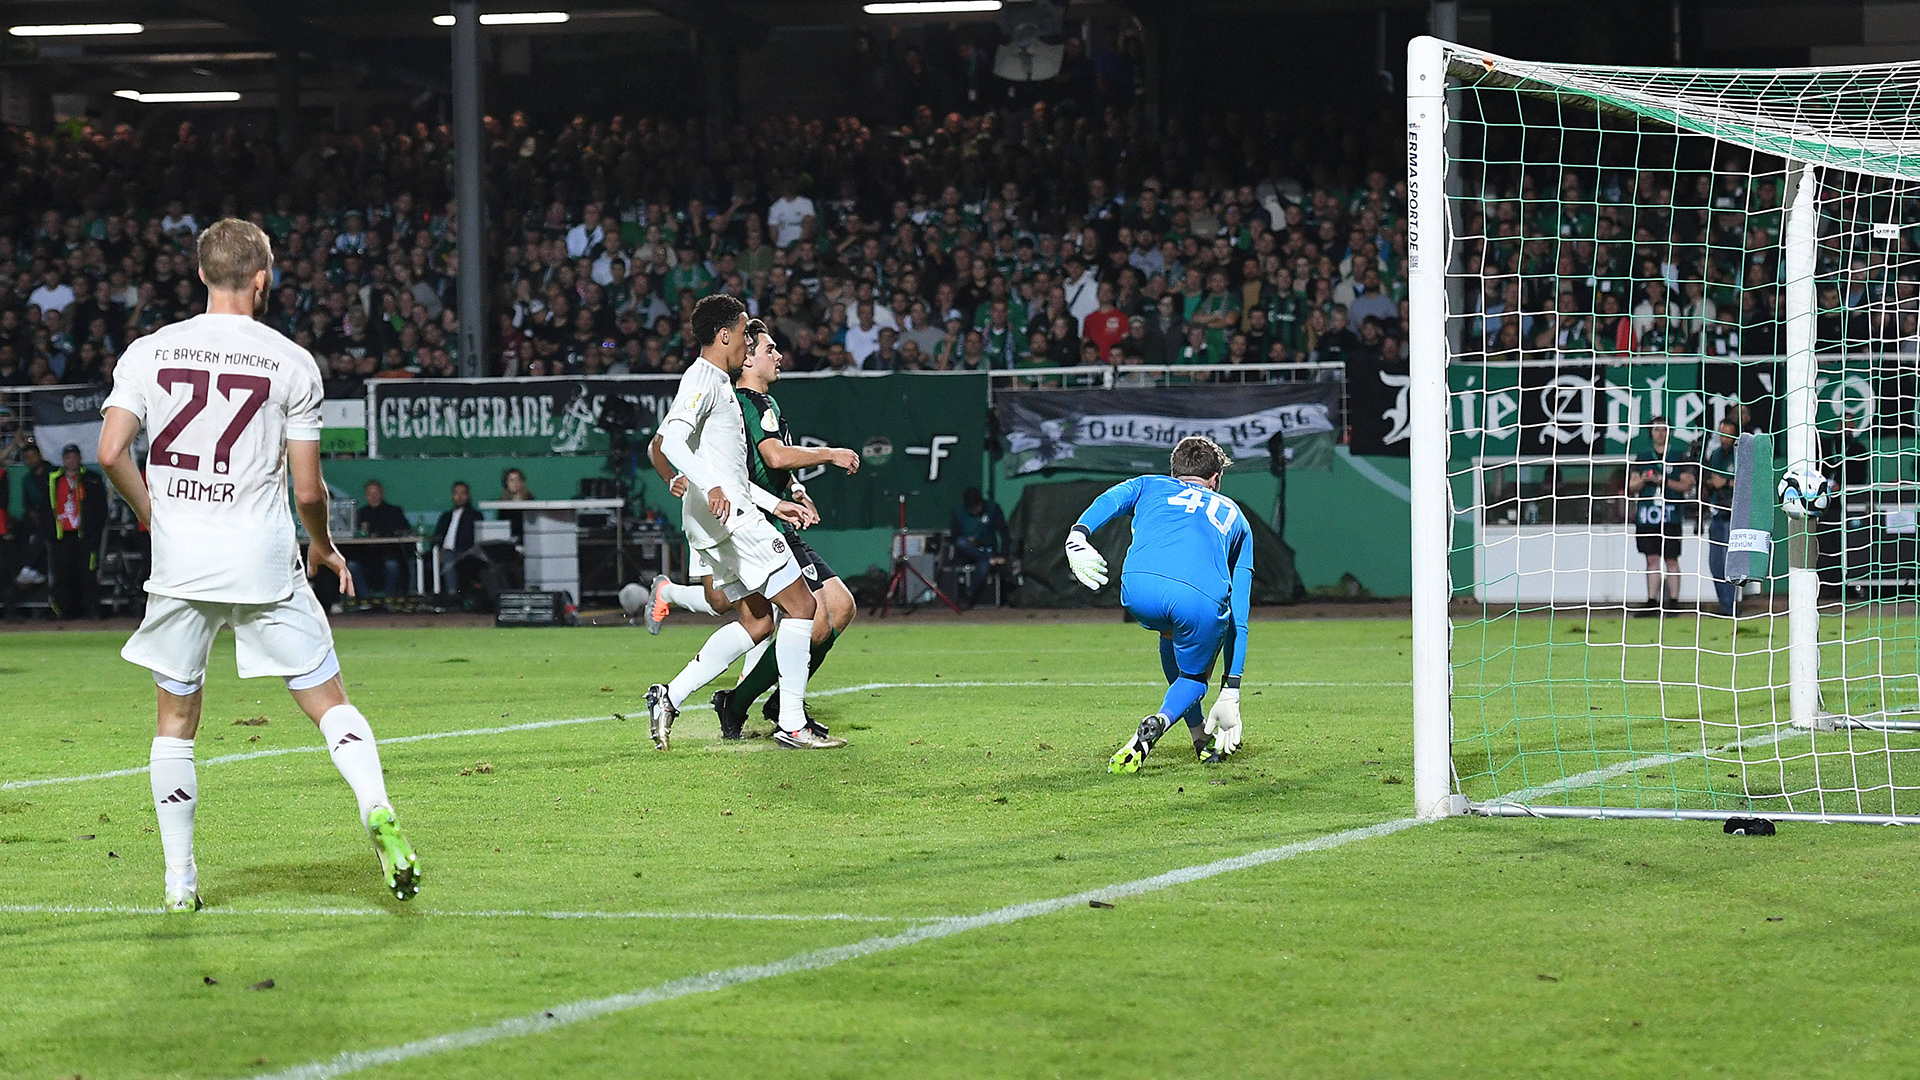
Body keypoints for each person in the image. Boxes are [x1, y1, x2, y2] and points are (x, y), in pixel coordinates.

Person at [95, 217, 418, 912]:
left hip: (182, 562)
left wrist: (153, 512)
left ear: (202, 274)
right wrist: (323, 544)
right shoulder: (291, 361)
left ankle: (180, 880)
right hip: (263, 558)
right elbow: (307, 489)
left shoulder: (149, 351)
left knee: (175, 721)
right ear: (263, 278)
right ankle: (375, 807)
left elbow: (110, 451)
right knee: (328, 702)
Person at [637, 319, 863, 738]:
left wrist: (788, 494)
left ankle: (675, 695)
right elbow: (665, 442)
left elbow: (756, 469)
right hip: (737, 518)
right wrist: (681, 478)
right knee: (800, 610)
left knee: (756, 619)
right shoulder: (721, 388)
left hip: (738, 512)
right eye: (763, 345)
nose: (777, 355)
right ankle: (785, 716)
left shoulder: (744, 395)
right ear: (731, 339)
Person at [1064, 435, 1249, 771]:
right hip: (1197, 598)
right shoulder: (1236, 515)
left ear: (1174, 471)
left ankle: (1198, 737)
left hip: (1138, 588)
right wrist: (1231, 687)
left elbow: (1111, 499)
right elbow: (1239, 612)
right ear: (1216, 479)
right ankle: (1161, 722)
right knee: (1194, 676)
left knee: (1169, 632)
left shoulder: (1150, 484)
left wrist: (1078, 533)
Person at [1632, 418, 1694, 616]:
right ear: (1650, 433)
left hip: (1671, 515)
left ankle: (1674, 602)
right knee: (1651, 558)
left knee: (1671, 558)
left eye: (1664, 429)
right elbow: (1631, 486)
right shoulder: (1642, 456)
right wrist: (1643, 480)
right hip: (1648, 515)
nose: (1660, 433)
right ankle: (1652, 601)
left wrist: (1664, 481)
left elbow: (1687, 485)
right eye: (1656, 430)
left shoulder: (1678, 456)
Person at [46, 443, 107, 619]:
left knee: (87, 572)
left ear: (80, 459)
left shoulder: (91, 479)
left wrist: (94, 532)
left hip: (85, 535)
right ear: (63, 460)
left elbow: (100, 508)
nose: (71, 460)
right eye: (68, 457)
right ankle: (66, 612)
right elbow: (46, 508)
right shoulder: (54, 479)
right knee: (63, 574)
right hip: (62, 534)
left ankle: (92, 610)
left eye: (74, 457)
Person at [1698, 417, 1740, 617]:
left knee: (1729, 562)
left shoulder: (1741, 455)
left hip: (1734, 514)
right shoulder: (1715, 455)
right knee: (1715, 562)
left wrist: (1725, 482)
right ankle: (1724, 604)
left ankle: (1731, 606)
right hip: (1716, 511)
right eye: (1722, 434)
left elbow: (1746, 481)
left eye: (1728, 434)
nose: (1724, 438)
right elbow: (1709, 480)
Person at [949, 487, 1010, 607]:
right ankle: (987, 559)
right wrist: (970, 541)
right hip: (966, 551)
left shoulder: (992, 509)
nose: (975, 510)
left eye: (977, 506)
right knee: (961, 542)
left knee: (984, 563)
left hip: (987, 549)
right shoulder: (958, 512)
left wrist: (1003, 554)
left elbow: (1004, 532)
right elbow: (954, 537)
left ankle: (969, 594)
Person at [351, 479, 411, 599]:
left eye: (376, 493)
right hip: (366, 557)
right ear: (365, 495)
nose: (373, 497)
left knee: (392, 565)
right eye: (369, 494)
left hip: (388, 554)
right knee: (351, 566)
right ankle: (365, 600)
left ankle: (390, 600)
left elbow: (404, 530)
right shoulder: (360, 513)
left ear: (382, 494)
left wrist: (382, 534)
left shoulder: (394, 511)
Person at [430, 480, 479, 596]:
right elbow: (437, 537)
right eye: (456, 493)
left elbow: (471, 539)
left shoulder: (474, 515)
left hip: (463, 551)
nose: (459, 497)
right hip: (441, 551)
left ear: (468, 496)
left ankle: (451, 594)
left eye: (462, 493)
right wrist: (438, 549)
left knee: (449, 556)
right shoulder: (445, 517)